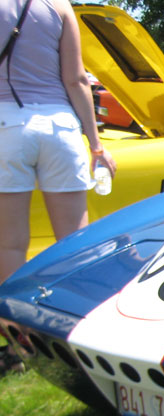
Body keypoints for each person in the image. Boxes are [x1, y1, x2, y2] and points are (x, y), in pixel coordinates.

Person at [0, 0, 116, 374]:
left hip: (6, 125)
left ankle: (19, 348)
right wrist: (96, 145)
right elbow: (76, 79)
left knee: (10, 243)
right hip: (59, 127)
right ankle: (78, 335)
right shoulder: (59, 7)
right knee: (73, 241)